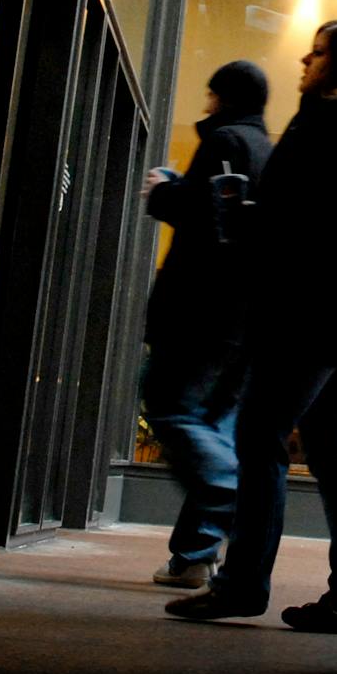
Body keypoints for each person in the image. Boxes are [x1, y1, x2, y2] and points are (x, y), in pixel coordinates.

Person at [166, 21, 337, 628]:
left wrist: (246, 220)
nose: (305, 58)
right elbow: (319, 222)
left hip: (306, 314)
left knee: (260, 441)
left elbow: (305, 225)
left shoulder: (331, 120)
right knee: (334, 453)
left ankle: (245, 584)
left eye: (318, 52)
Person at [139, 60, 273, 588]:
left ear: (219, 97)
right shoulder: (267, 150)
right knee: (215, 424)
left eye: (209, 95)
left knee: (168, 406)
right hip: (245, 321)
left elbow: (204, 216)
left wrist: (163, 188)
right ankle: (194, 557)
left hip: (198, 312)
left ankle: (228, 485)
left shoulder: (224, 141)